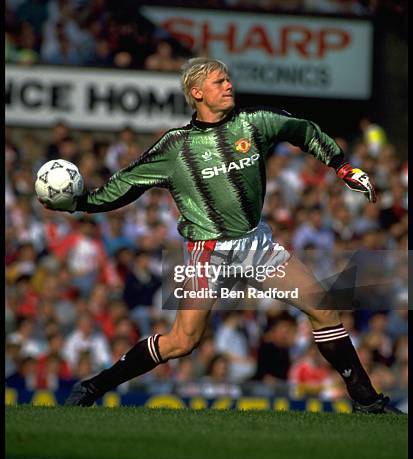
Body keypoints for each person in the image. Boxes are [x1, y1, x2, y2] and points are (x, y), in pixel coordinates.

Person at [39, 57, 400, 414]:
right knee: (182, 342)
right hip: (207, 253)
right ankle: (95, 385)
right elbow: (125, 186)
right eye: (218, 82)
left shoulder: (255, 122)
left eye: (228, 80)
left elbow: (303, 130)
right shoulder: (174, 147)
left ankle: (367, 401)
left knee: (323, 306)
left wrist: (342, 166)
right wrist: (79, 204)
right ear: (197, 92)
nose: (229, 86)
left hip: (256, 245)